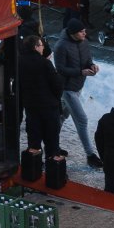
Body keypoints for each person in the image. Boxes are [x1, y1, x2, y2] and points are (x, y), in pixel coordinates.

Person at [53, 16, 102, 168]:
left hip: (78, 85)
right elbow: (60, 69)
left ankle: (53, 145)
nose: (84, 34)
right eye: (81, 32)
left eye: (84, 31)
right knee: (82, 119)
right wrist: (81, 72)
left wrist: (92, 66)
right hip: (67, 89)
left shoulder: (84, 42)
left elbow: (88, 59)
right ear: (73, 33)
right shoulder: (61, 46)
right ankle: (90, 154)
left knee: (62, 116)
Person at [19, 34, 66, 180]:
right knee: (52, 142)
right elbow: (57, 85)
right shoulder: (45, 63)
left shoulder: (20, 62)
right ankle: (54, 177)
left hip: (31, 107)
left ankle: (32, 174)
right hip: (49, 108)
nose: (43, 47)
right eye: (41, 45)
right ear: (35, 47)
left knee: (34, 140)